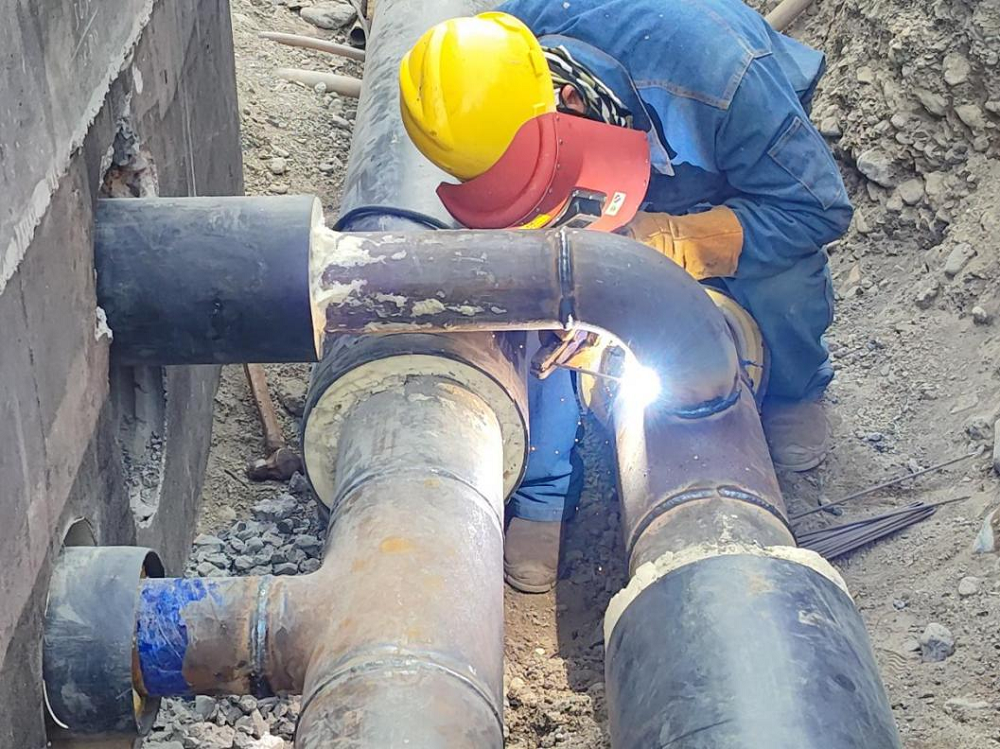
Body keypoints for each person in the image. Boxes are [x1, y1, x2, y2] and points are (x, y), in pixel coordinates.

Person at [398, 0, 853, 592]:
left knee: (783, 278)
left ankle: (796, 387)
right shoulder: (502, 56)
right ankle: (544, 490)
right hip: (619, 133)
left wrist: (670, 241)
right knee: (539, 304)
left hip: (719, 156)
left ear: (570, 102)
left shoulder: (725, 78)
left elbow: (815, 208)